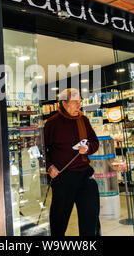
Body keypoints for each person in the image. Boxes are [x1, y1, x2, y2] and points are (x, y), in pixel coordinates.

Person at [44, 88, 100, 236]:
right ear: (64, 103)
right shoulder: (51, 123)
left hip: (85, 176)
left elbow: (95, 142)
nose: (79, 106)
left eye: (80, 102)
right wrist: (49, 166)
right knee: (59, 221)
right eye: (75, 102)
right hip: (63, 178)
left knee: (91, 219)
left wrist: (88, 148)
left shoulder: (83, 120)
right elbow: (41, 151)